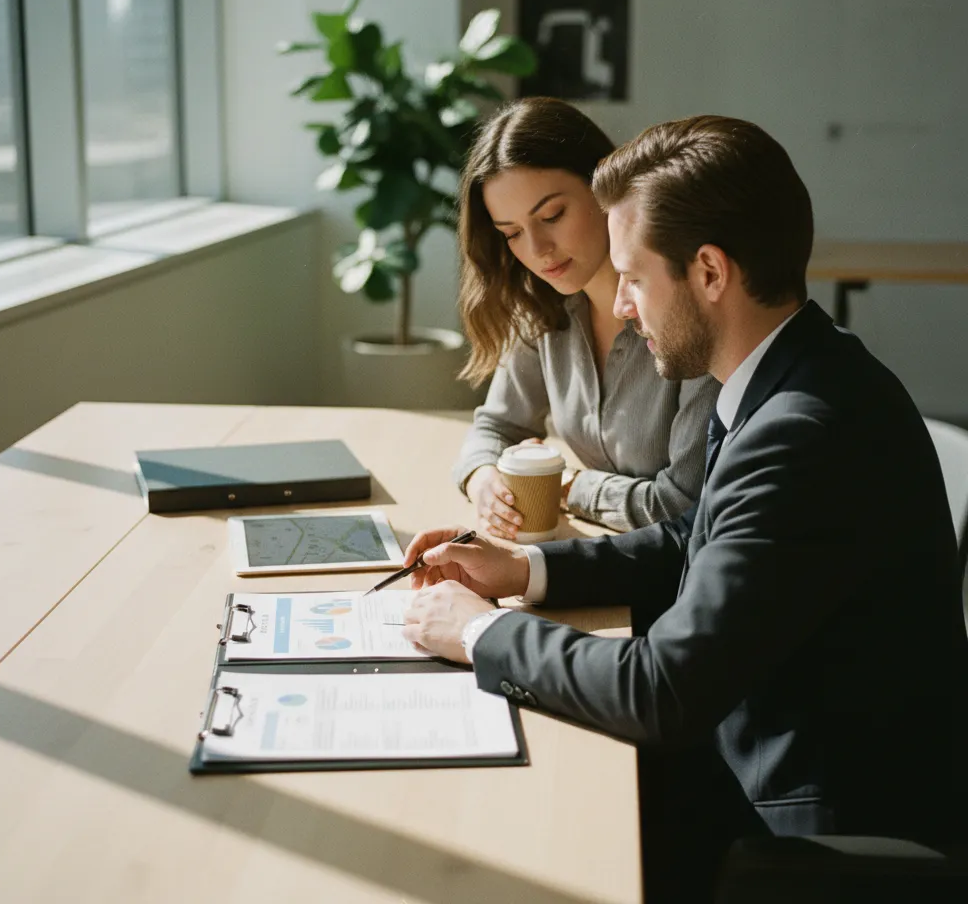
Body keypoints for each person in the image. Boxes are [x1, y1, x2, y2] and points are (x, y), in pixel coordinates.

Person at [401, 115, 968, 901]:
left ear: (708, 272)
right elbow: (690, 538)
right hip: (757, 743)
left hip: (801, 818)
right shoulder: (796, 374)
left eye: (633, 278)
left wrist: (475, 630)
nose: (622, 306)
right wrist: (526, 569)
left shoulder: (802, 430)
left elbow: (663, 692)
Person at [454, 97, 718, 539]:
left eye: (552, 215)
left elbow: (682, 504)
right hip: (600, 553)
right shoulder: (542, 308)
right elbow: (497, 426)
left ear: (604, 187)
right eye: (512, 234)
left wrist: (567, 486)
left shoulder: (683, 308)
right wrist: (482, 480)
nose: (537, 250)